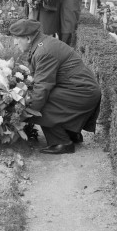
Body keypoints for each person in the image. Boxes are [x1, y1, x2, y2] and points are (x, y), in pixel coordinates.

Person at [9, 19, 102, 154]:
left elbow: (42, 89)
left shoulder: (44, 51)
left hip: (82, 93)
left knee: (39, 102)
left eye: (17, 39)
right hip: (81, 90)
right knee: (38, 98)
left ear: (28, 38)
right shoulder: (42, 44)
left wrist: (23, 114)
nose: (15, 42)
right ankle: (71, 133)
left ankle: (62, 142)